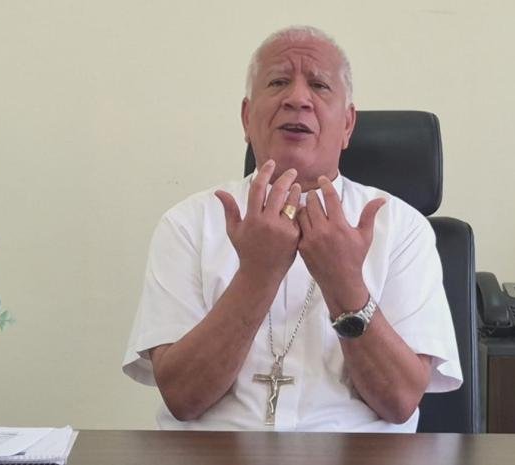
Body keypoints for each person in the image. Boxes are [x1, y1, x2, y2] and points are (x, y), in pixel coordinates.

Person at [122, 26, 462, 432]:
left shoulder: (401, 228)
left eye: (319, 85)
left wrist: (344, 283)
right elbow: (182, 397)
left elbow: (400, 401)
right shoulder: (188, 223)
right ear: (247, 118)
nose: (297, 98)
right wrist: (257, 274)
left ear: (348, 124)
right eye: (278, 82)